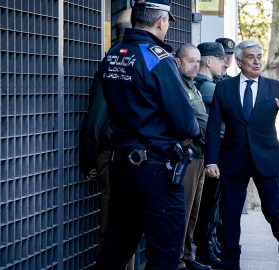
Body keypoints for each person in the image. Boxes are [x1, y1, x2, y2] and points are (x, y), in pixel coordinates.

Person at [95, 0, 201, 269]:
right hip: (155, 170)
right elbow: (185, 121)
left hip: (121, 166)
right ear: (161, 21)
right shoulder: (158, 58)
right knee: (164, 254)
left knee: (115, 249)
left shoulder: (114, 53)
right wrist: (188, 131)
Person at [204, 40, 279, 270]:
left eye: (259, 56)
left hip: (265, 160)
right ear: (239, 61)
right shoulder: (224, 88)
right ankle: (231, 264)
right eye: (251, 57)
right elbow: (213, 125)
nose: (257, 61)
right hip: (232, 161)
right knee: (229, 215)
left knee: (275, 213)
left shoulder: (275, 87)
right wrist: (211, 160)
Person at [79, 9, 136, 270]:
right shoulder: (116, 63)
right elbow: (97, 118)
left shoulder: (133, 60)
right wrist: (90, 158)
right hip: (114, 156)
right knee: (113, 232)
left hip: (132, 157)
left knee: (125, 232)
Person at [174, 44, 210, 270]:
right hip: (187, 157)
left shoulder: (193, 86)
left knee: (193, 212)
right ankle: (177, 260)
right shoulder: (177, 85)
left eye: (198, 61)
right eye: (190, 60)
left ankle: (187, 257)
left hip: (200, 156)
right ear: (178, 62)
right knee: (183, 212)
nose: (195, 65)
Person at [192, 42, 227, 269]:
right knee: (206, 207)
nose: (225, 63)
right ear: (209, 62)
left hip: (210, 150)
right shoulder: (207, 87)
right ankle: (204, 251)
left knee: (207, 207)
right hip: (208, 152)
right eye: (221, 59)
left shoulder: (209, 84)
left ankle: (205, 248)